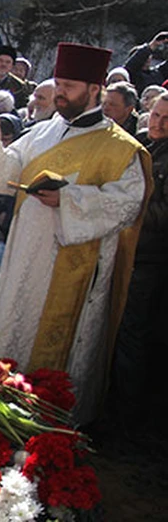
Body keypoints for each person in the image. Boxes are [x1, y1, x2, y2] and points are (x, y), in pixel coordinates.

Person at [0, 42, 150, 423]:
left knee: (60, 351)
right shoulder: (43, 131)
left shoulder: (121, 148)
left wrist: (68, 201)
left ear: (94, 90)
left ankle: (57, 428)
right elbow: (8, 173)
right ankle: (3, 414)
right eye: (59, 83)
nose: (60, 92)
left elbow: (127, 203)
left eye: (69, 85)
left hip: (74, 262)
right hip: (25, 254)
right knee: (16, 327)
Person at [111, 93, 168, 431]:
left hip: (150, 258)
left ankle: (127, 417)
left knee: (133, 333)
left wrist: (126, 207)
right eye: (156, 114)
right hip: (128, 252)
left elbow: (162, 213)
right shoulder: (142, 144)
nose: (158, 122)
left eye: (166, 118)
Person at [0, 45, 33, 110]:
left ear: (12, 66)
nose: (3, 64)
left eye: (8, 62)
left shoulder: (20, 86)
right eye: (0, 61)